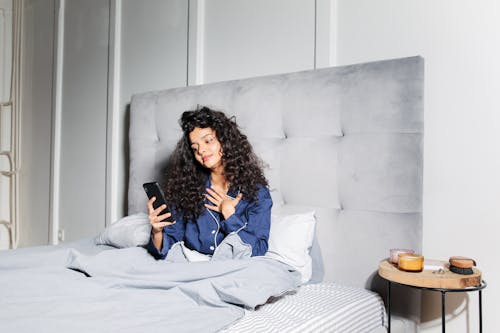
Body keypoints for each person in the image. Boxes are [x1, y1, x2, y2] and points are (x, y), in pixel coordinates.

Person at [145, 106, 272, 259]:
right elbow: (170, 246)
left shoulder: (258, 193)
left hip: (235, 269)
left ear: (225, 140)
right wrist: (157, 232)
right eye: (195, 148)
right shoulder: (186, 189)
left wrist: (230, 215)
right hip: (193, 266)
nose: (201, 151)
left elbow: (258, 250)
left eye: (208, 141)